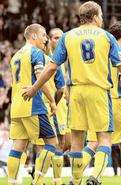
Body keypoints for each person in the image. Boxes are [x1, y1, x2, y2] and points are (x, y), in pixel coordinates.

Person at [22, 1, 121, 185]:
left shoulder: (68, 37)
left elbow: (51, 67)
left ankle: (75, 181)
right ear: (95, 17)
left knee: (78, 141)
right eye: (101, 16)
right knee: (104, 139)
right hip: (99, 92)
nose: (102, 19)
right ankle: (96, 178)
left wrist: (34, 88)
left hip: (76, 93)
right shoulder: (106, 37)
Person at [85, 21, 121, 185]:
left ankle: (76, 177)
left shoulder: (100, 49)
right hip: (117, 101)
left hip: (98, 99)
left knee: (94, 142)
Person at [7, 23, 58, 185]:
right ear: (34, 36)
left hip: (16, 107)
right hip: (32, 105)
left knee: (18, 146)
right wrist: (52, 101)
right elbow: (40, 79)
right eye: (43, 35)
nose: (46, 39)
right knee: (52, 143)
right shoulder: (35, 53)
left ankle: (12, 182)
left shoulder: (16, 55)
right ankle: (37, 182)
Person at [31, 28, 66, 185]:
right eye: (55, 38)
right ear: (49, 40)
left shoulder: (62, 59)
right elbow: (60, 88)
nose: (59, 41)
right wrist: (54, 103)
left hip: (58, 107)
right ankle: (40, 180)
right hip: (47, 106)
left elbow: (64, 87)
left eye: (61, 38)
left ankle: (53, 180)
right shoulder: (47, 59)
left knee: (61, 144)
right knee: (47, 145)